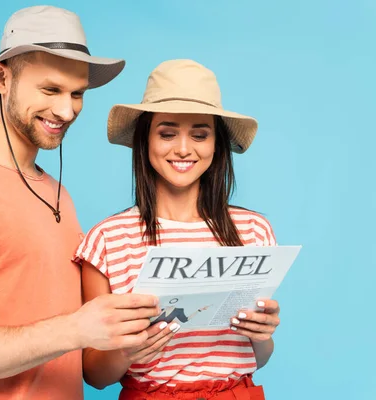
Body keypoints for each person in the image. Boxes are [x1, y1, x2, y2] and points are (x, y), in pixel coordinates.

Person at [0, 6, 161, 400]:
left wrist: (122, 337)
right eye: (50, 90)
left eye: (77, 94)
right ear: (2, 77)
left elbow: (85, 364)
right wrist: (76, 328)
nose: (66, 110)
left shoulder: (59, 194)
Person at [74, 59, 281, 400]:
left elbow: (258, 358)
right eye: (167, 133)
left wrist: (261, 333)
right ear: (145, 140)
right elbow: (94, 375)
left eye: (200, 134)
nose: (184, 149)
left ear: (216, 144)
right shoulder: (108, 240)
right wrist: (129, 352)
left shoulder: (253, 231)